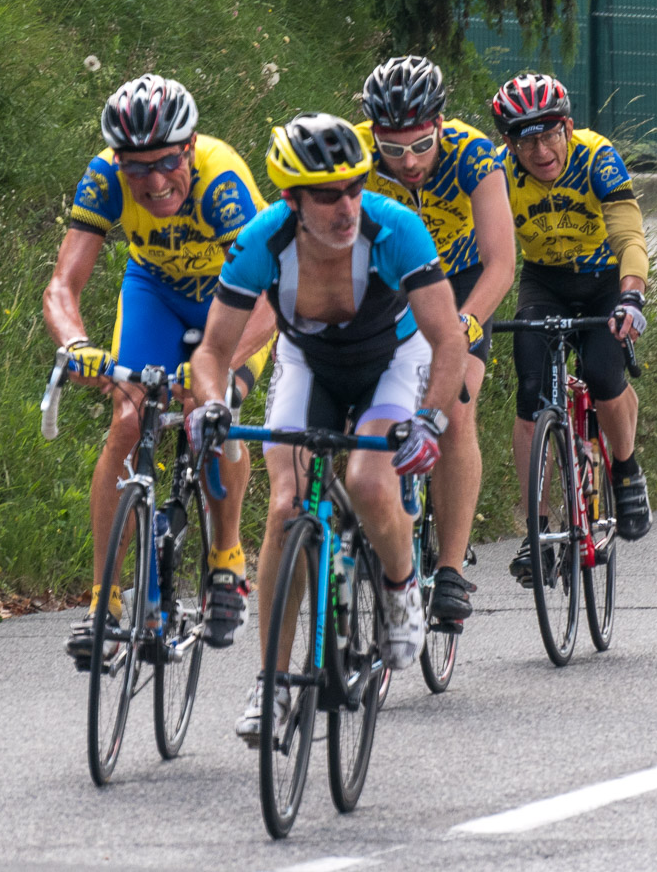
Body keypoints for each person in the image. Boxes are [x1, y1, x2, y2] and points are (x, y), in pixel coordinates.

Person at [187, 112, 466, 743]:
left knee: (369, 483)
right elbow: (212, 351)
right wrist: (210, 405)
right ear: (291, 200)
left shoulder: (395, 229)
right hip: (308, 361)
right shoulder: (262, 242)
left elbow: (448, 339)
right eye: (326, 195)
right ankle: (272, 684)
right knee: (286, 506)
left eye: (354, 187)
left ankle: (400, 585)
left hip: (392, 362)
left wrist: (430, 421)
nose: (345, 207)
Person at [43, 74, 276, 666]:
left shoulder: (222, 182)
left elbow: (270, 298)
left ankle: (226, 560)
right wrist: (77, 344)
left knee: (210, 411)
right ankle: (104, 603)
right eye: (136, 168)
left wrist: (217, 364)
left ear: (190, 148)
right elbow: (62, 287)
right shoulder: (104, 177)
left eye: (168, 161)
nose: (153, 181)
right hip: (157, 289)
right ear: (117, 161)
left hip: (235, 298)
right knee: (128, 418)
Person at [356, 55, 515, 627]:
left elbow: (501, 264)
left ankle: (449, 568)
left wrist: (465, 328)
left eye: (421, 146)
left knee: (455, 409)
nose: (408, 162)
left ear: (440, 126)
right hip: (390, 282)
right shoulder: (353, 154)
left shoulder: (473, 155)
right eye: (393, 150)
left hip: (460, 284)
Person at [490, 72, 652, 586]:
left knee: (604, 376)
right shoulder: (498, 173)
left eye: (549, 135)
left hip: (604, 282)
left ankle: (625, 469)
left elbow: (628, 231)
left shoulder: (596, 156)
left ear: (567, 127)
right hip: (545, 282)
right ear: (509, 144)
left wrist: (631, 294)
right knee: (531, 393)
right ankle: (536, 528)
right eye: (526, 141)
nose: (540, 151)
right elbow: (479, 241)